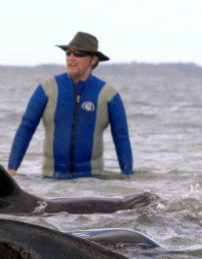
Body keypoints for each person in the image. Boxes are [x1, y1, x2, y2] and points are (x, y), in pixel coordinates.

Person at [8, 31, 134, 179]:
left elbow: (121, 138)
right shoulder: (47, 88)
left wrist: (128, 176)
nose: (71, 58)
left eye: (78, 54)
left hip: (92, 184)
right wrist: (12, 170)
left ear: (93, 60)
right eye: (68, 53)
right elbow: (26, 128)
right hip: (52, 182)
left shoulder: (108, 94)